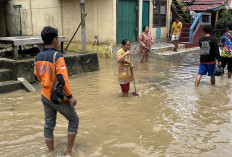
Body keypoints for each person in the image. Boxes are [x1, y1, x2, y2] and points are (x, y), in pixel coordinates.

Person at [34, 26, 79, 156]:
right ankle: (68, 152)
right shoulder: (57, 56)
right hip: (58, 98)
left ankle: (51, 152)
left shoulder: (38, 57)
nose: (58, 40)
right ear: (54, 39)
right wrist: (70, 97)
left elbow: (36, 77)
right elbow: (63, 79)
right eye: (57, 38)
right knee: (74, 120)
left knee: (49, 124)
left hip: (45, 96)